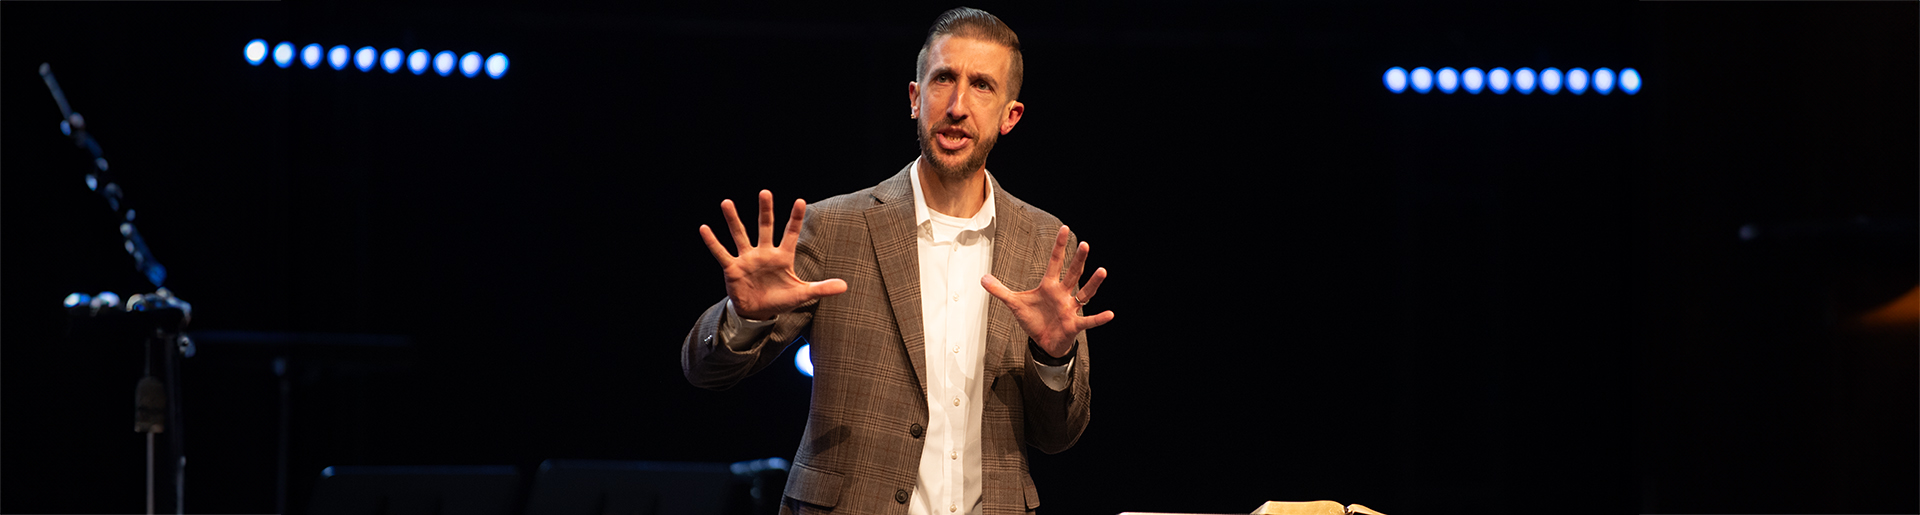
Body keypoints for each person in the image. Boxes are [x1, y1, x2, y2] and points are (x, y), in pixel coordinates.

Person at [682, 7, 1113, 515]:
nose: (957, 105)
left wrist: (1053, 359)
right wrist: (746, 316)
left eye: (981, 86)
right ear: (915, 98)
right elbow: (704, 370)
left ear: (1009, 116)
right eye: (944, 79)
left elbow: (1059, 436)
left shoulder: (1045, 244)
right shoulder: (837, 227)